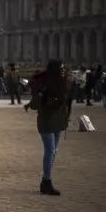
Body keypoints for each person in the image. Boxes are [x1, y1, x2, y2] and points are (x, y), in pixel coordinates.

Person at [24, 60, 71, 195]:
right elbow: (36, 100)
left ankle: (46, 179)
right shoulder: (43, 81)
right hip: (46, 117)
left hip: (57, 117)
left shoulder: (61, 81)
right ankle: (46, 180)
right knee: (50, 150)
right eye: (61, 68)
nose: (63, 71)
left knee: (53, 150)